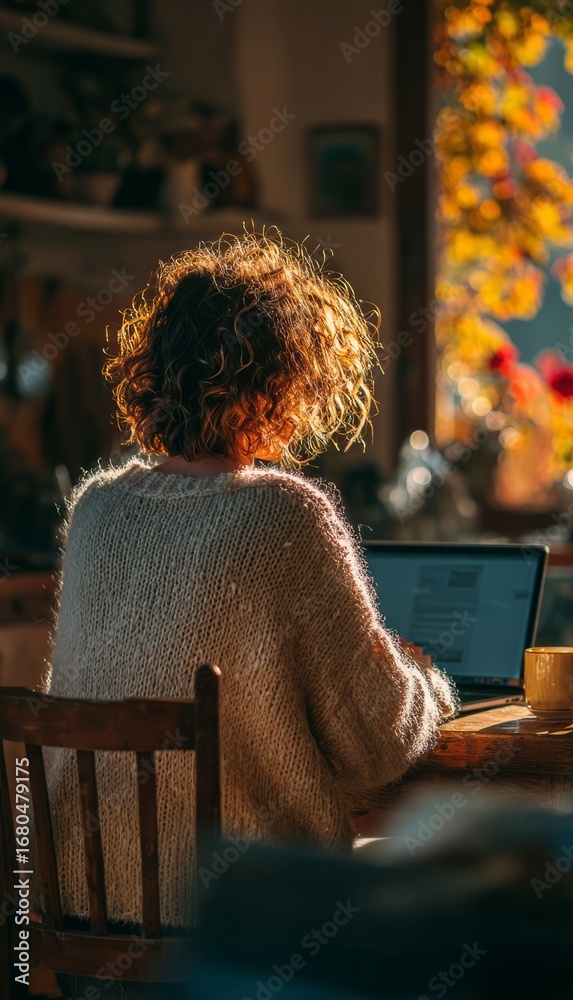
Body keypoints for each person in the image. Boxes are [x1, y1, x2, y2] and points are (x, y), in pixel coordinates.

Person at [45, 231, 458, 952]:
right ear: (271, 387)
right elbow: (376, 744)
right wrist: (428, 684)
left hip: (84, 924)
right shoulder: (283, 515)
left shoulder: (95, 510)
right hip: (242, 937)